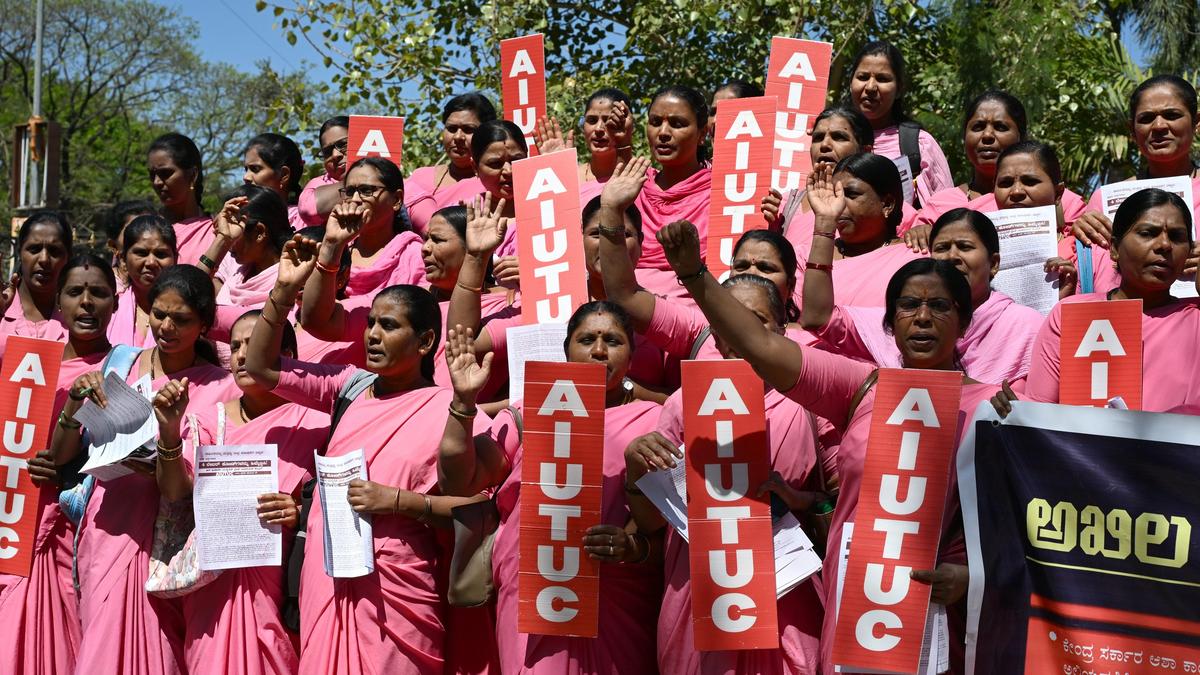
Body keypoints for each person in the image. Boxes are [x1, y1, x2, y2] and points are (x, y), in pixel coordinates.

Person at [656, 220, 999, 674]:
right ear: (889, 322)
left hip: (940, 624)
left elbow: (1021, 529)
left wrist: (975, 576)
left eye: (939, 306)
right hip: (855, 617)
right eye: (907, 305)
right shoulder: (858, 388)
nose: (921, 318)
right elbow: (758, 344)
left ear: (964, 319)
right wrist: (694, 274)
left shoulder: (997, 406)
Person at [245, 238, 487, 674]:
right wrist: (282, 292)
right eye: (371, 322)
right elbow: (263, 368)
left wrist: (396, 502)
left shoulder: (448, 410)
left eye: (389, 326)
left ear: (426, 340)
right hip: (327, 571)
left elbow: (478, 509)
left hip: (399, 585)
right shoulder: (349, 387)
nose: (372, 334)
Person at [437, 301, 663, 674]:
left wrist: (631, 547)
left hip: (618, 596)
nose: (599, 350)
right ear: (566, 350)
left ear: (632, 355)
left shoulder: (654, 420)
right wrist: (464, 402)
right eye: (587, 339)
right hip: (537, 589)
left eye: (614, 340)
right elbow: (460, 479)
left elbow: (669, 533)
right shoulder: (532, 412)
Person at [623, 274, 828, 674]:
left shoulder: (811, 400)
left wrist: (800, 500)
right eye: (729, 320)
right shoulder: (684, 404)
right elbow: (650, 522)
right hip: (703, 597)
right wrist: (636, 469)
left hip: (787, 592)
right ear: (714, 334)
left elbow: (843, 502)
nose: (742, 331)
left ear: (782, 329)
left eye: (757, 320)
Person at [51, 264, 234, 675]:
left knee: (155, 641)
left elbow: (188, 488)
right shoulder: (121, 363)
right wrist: (73, 405)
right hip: (108, 523)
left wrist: (167, 441)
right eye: (158, 313)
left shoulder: (221, 386)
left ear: (204, 323)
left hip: (165, 535)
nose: (166, 326)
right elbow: (64, 456)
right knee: (102, 636)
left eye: (181, 319)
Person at [172, 310, 327, 675]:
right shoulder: (209, 421)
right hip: (214, 590)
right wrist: (167, 435)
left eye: (253, 344)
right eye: (235, 346)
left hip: (282, 589)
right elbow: (178, 493)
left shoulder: (318, 423)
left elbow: (339, 500)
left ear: (288, 352)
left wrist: (299, 512)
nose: (242, 355)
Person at [1, 254, 118, 675]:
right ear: (58, 303)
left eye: (99, 293)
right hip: (24, 526)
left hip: (94, 528)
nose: (87, 303)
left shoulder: (128, 366)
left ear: (116, 303)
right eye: (74, 293)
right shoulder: (28, 366)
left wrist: (71, 469)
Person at [447, 190, 674, 403]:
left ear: (642, 244)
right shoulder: (549, 300)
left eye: (623, 233)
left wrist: (618, 387)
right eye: (597, 233)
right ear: (579, 240)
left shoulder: (661, 310)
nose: (609, 242)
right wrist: (476, 257)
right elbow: (465, 342)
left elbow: (681, 398)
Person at [999, 188, 1200, 413]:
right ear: (1114, 249)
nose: (1164, 245)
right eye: (1147, 233)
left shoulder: (1196, 319)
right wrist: (1015, 411)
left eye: (1176, 236)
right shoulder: (1070, 315)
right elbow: (1040, 411)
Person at [600, 158, 813, 360]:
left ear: (791, 284)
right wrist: (611, 210)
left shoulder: (811, 347)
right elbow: (624, 297)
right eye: (741, 265)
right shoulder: (699, 330)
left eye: (766, 268)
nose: (751, 273)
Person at [804, 207, 1045, 384]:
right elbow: (819, 317)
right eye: (942, 248)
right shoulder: (902, 321)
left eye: (965, 247)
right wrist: (825, 226)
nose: (952, 257)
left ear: (993, 264)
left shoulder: (1026, 327)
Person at [1068, 75, 1200, 293]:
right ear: (1132, 130)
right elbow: (1093, 276)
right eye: (1146, 118)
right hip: (1120, 322)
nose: (1159, 126)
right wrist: (1079, 236)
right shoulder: (1104, 199)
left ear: (1196, 122)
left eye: (1172, 115)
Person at [789, 156, 922, 310]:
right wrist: (824, 222)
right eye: (835, 195)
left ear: (887, 204)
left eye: (851, 194)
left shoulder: (914, 257)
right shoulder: (803, 257)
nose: (838, 204)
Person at [846, 40, 953, 205]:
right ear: (850, 82)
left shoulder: (919, 144)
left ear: (899, 89)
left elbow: (948, 210)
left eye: (882, 79)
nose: (871, 87)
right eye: (863, 77)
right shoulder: (827, 138)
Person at [633, 85, 712, 300]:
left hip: (701, 313)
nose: (663, 133)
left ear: (702, 133)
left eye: (677, 124)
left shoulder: (725, 193)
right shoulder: (632, 187)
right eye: (655, 122)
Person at [312, 156, 426, 297]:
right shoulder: (333, 251)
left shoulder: (415, 256)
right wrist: (332, 243)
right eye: (349, 192)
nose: (355, 199)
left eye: (366, 191)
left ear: (396, 200)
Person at [192, 184, 292, 307]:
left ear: (259, 232)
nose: (229, 245)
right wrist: (223, 239)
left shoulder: (288, 282)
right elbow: (190, 291)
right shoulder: (238, 274)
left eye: (235, 231)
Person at [534, 87, 637, 206]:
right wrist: (556, 171)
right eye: (592, 120)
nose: (598, 129)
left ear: (627, 125)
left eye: (608, 120)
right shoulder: (571, 175)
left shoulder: (643, 178)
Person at [406, 93, 499, 212]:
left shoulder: (495, 183)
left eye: (468, 129)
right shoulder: (419, 178)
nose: (458, 137)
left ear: (488, 133)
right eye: (451, 129)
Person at [0, 210, 71, 356]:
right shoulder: (2, 309)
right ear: (19, 252)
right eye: (34, 249)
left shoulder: (77, 318)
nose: (44, 259)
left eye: (54, 251)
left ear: (68, 257)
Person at [468, 119, 528, 283]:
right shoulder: (463, 217)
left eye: (516, 160)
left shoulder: (549, 209)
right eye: (495, 164)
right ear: (475, 167)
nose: (508, 170)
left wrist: (535, 269)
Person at [108, 215, 178, 349]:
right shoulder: (109, 309)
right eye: (141, 253)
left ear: (175, 258)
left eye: (161, 254)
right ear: (123, 259)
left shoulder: (186, 312)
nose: (151, 262)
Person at [148, 132, 213, 266]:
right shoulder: (144, 229)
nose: (157, 182)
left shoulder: (216, 232)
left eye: (165, 173)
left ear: (193, 175)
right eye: (152, 175)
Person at [242, 132, 306, 229]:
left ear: (284, 175)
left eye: (255, 169)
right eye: (246, 169)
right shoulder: (240, 219)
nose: (246, 177)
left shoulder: (302, 220)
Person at [298, 116, 350, 226]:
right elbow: (309, 210)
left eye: (343, 145)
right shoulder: (318, 185)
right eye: (327, 151)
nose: (335, 155)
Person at [103, 199, 157, 283]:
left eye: (150, 229)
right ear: (113, 246)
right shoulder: (105, 285)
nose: (145, 237)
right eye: (133, 231)